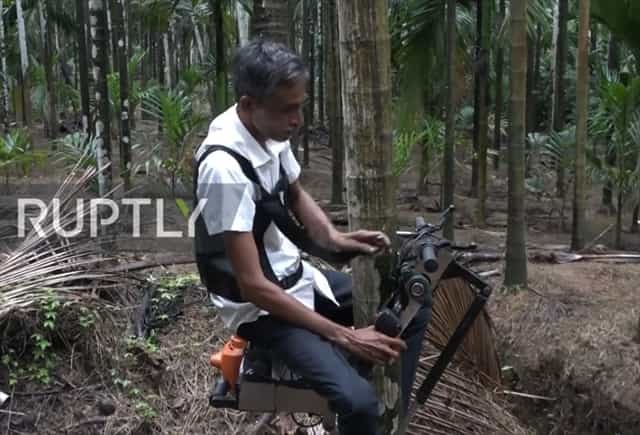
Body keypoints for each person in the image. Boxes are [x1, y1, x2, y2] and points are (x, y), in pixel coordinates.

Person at [193, 38, 430, 435]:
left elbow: (296, 194)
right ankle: (357, 399)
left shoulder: (269, 132)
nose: (298, 119)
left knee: (413, 305)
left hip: (294, 277)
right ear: (250, 105)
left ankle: (392, 416)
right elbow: (253, 287)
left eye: (300, 106)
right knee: (358, 404)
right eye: (289, 109)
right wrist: (347, 337)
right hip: (262, 309)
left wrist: (336, 240)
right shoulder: (223, 168)